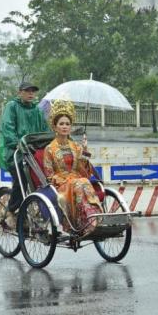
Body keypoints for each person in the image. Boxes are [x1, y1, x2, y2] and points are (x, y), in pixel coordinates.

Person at [43, 100, 102, 236]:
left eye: (67, 124)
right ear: (55, 126)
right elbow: (49, 175)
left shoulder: (76, 146)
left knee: (84, 181)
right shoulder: (49, 149)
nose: (64, 127)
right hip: (61, 185)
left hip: (78, 181)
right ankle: (86, 222)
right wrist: (66, 179)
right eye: (61, 124)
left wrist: (85, 152)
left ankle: (93, 218)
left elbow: (85, 172)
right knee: (79, 183)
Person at [0, 81, 50, 226]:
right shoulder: (12, 107)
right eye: (27, 91)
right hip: (14, 151)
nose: (31, 94)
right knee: (22, 178)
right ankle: (11, 210)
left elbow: (44, 131)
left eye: (33, 91)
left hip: (32, 152)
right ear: (19, 92)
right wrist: (18, 144)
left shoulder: (37, 110)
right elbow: (7, 129)